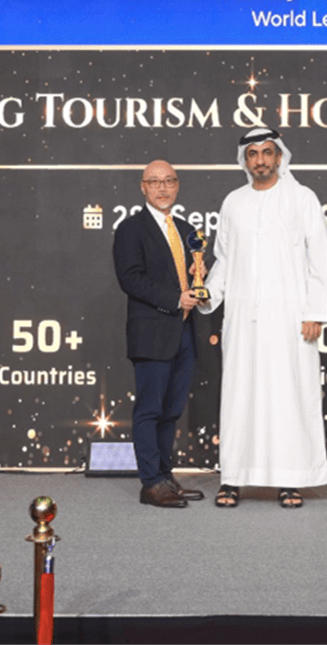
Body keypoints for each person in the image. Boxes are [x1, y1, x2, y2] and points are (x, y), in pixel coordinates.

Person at [199, 128, 327, 509]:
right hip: (243, 321)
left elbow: (318, 259)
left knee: (289, 396)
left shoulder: (303, 199)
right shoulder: (233, 202)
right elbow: (224, 260)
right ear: (245, 160)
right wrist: (207, 294)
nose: (260, 160)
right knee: (240, 396)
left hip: (291, 320)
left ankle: (290, 480)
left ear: (279, 156)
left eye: (267, 152)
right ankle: (233, 478)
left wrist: (314, 312)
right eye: (253, 153)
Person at [113, 160, 205, 508]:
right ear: (143, 187)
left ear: (177, 185)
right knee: (149, 410)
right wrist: (175, 299)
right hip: (152, 333)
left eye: (169, 181)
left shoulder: (186, 229)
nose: (162, 188)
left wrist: (200, 277)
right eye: (155, 182)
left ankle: (166, 476)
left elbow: (192, 276)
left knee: (171, 411)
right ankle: (151, 482)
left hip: (185, 330)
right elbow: (130, 279)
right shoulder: (130, 229)